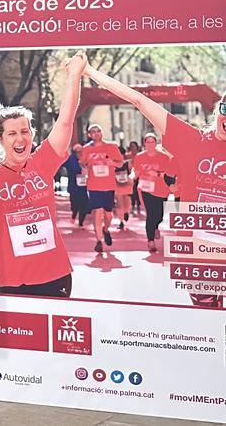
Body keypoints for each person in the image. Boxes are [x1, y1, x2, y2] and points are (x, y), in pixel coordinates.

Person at [82, 67, 226, 309]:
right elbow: (139, 100)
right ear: (218, 110)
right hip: (201, 256)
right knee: (209, 322)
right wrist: (88, 71)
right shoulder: (192, 140)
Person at [0, 54, 86, 303]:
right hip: (14, 279)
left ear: (32, 134)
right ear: (0, 139)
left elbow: (66, 121)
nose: (20, 139)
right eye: (12, 133)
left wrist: (74, 75)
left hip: (56, 274)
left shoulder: (43, 161)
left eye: (25, 132)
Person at [79, 124, 123, 253]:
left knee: (108, 214)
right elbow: (82, 163)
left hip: (109, 185)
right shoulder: (86, 149)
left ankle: (105, 229)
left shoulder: (111, 147)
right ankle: (99, 240)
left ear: (102, 133)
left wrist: (112, 163)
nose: (96, 134)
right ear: (89, 135)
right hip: (94, 185)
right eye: (93, 132)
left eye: (98, 131)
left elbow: (120, 163)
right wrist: (84, 169)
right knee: (97, 212)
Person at [132, 133, 175, 252]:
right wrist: (133, 176)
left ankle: (156, 226)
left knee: (159, 215)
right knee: (150, 215)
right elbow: (136, 170)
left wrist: (156, 174)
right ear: (144, 143)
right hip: (145, 189)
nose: (150, 144)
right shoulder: (139, 156)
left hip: (161, 190)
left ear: (156, 143)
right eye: (148, 142)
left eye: (152, 142)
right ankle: (150, 241)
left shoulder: (164, 157)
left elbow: (168, 174)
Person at [61, 143, 89, 224]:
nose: (80, 153)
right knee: (75, 204)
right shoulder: (70, 159)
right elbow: (63, 163)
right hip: (74, 186)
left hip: (84, 186)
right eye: (78, 151)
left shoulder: (85, 158)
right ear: (74, 152)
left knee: (84, 204)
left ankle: (81, 222)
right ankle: (74, 214)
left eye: (81, 151)